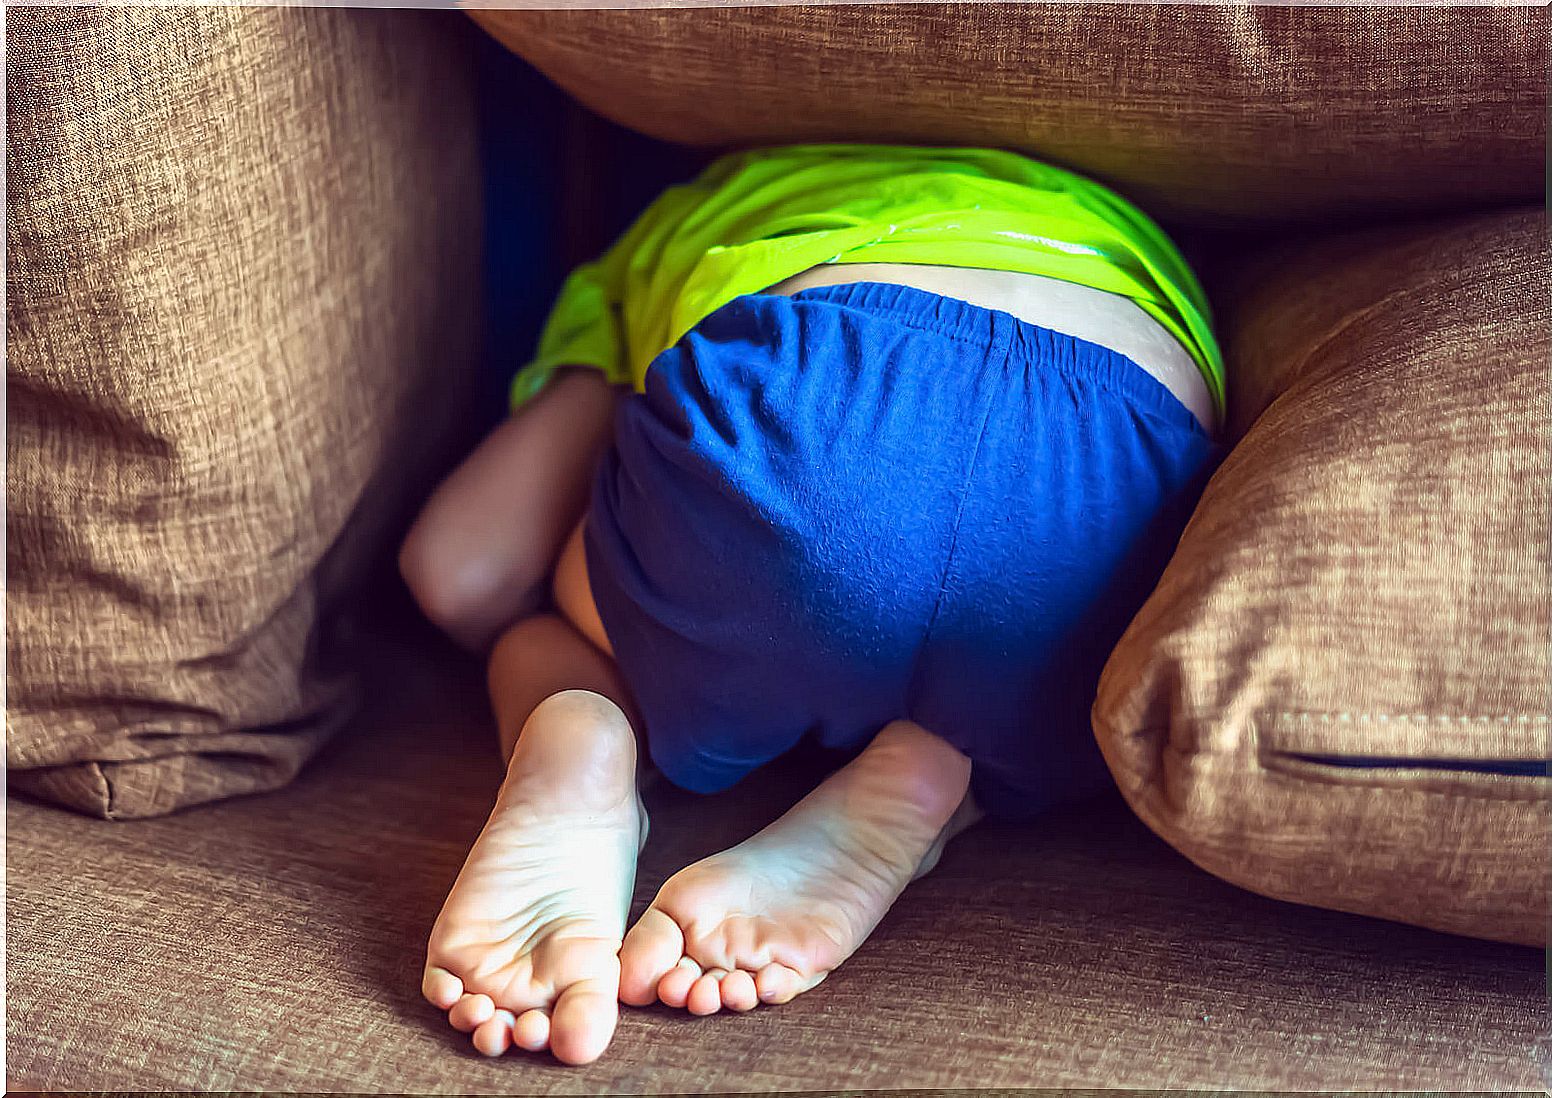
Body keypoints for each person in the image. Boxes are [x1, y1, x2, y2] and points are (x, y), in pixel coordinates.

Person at [399, 144, 1225, 1065]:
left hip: (824, 388)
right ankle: (940, 779)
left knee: (532, 607)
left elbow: (461, 566)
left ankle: (577, 730)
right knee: (1068, 682)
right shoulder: (1122, 223)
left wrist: (531, 615)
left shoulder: (713, 206)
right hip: (1115, 463)